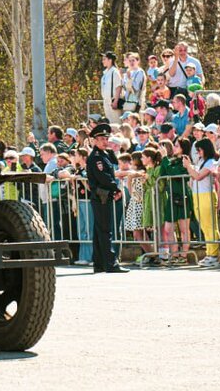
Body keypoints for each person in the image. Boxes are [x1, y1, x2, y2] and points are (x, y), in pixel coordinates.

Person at [85, 123, 127, 273]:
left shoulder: (105, 155)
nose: (105, 141)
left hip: (104, 195)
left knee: (99, 231)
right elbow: (104, 177)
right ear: (95, 140)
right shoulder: (96, 157)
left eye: (106, 138)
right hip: (101, 195)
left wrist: (109, 151)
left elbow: (114, 165)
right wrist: (115, 188)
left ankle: (99, 263)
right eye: (101, 138)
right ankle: (110, 263)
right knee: (105, 231)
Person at [182, 138, 220, 266]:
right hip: (197, 195)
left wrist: (189, 167)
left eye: (199, 149)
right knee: (204, 225)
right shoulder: (201, 162)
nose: (198, 152)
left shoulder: (211, 162)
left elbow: (199, 176)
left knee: (210, 225)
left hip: (207, 195)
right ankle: (209, 253)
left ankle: (213, 255)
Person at [100, 52, 123, 123]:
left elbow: (118, 86)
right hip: (106, 101)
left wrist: (115, 101)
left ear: (110, 60)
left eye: (104, 59)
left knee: (116, 122)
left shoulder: (114, 72)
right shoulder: (106, 72)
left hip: (112, 100)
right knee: (109, 122)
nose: (103, 61)